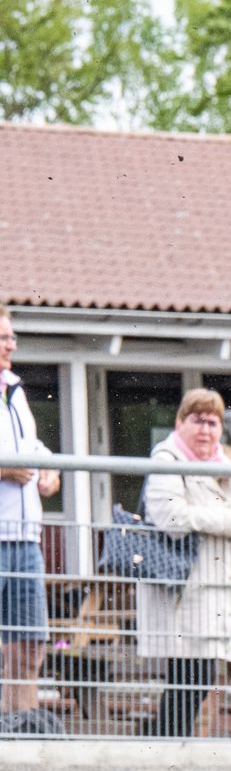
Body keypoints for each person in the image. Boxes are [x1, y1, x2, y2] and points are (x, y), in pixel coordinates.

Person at [138, 390, 231, 736]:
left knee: (197, 679)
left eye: (213, 423)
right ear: (180, 422)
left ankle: (166, 742)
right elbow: (171, 517)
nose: (205, 430)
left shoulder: (223, 464)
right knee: (190, 678)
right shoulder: (166, 459)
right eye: (197, 420)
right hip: (182, 587)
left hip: (216, 587)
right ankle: (165, 744)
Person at [0, 307, 61, 717]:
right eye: (4, 338)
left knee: (29, 646)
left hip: (26, 540)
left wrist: (51, 467)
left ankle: (19, 731)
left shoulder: (15, 390)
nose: (12, 345)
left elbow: (33, 447)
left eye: (12, 337)